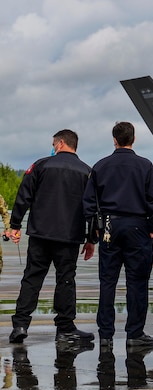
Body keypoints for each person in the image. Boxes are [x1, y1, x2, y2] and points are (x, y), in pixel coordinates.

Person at [6, 130, 94, 345]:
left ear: (61, 143)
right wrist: (91, 239)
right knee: (65, 279)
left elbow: (23, 195)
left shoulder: (41, 165)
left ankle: (20, 325)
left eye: (54, 144)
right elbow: (92, 208)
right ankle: (65, 328)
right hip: (69, 236)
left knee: (32, 278)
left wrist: (15, 225)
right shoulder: (87, 172)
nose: (53, 148)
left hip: (40, 233)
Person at [82, 121, 153, 351]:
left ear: (114, 140)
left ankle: (106, 335)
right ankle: (135, 333)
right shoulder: (145, 166)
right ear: (133, 139)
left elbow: (89, 202)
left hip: (109, 224)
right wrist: (151, 226)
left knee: (107, 281)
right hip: (138, 226)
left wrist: (95, 228)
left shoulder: (100, 166)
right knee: (137, 282)